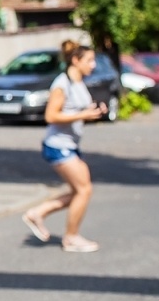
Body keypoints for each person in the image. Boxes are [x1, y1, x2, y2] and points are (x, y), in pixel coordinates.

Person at [22, 43, 107, 252]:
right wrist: (82, 115)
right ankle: (71, 238)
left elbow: (75, 109)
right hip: (58, 145)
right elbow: (51, 116)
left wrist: (93, 111)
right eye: (89, 60)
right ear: (76, 60)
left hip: (70, 144)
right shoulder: (62, 84)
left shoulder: (78, 82)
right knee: (84, 190)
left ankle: (38, 213)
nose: (93, 65)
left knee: (79, 191)